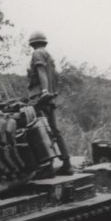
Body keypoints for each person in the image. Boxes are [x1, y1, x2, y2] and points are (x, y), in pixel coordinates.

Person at [27, 31, 73, 175]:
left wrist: (44, 92)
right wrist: (50, 92)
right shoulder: (49, 56)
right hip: (49, 97)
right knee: (53, 130)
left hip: (41, 97)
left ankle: (48, 166)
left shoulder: (37, 54)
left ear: (32, 43)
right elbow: (53, 76)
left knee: (39, 130)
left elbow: (41, 72)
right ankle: (66, 163)